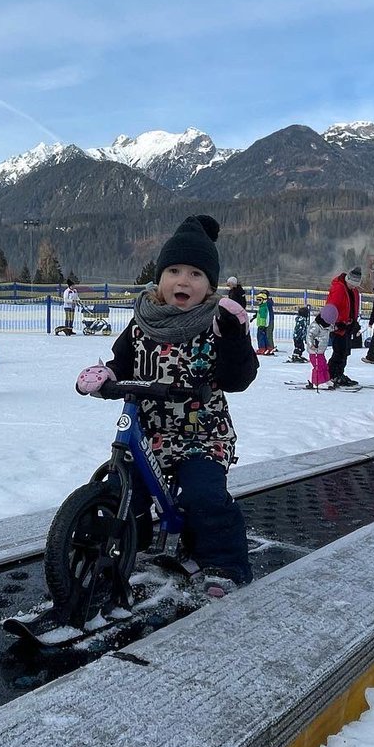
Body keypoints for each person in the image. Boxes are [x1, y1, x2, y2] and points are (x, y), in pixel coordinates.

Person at [74, 214, 258, 596]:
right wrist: (106, 373)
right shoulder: (143, 321)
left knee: (202, 494)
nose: (183, 281)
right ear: (159, 278)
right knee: (125, 488)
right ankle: (124, 547)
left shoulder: (215, 322)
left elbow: (238, 379)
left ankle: (225, 563)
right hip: (150, 430)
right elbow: (123, 362)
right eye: (174, 270)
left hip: (202, 432)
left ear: (209, 285)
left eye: (195, 274)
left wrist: (237, 338)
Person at [325, 265, 364, 387]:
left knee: (345, 351)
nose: (353, 287)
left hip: (348, 325)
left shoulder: (353, 291)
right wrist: (336, 323)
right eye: (352, 284)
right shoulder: (339, 288)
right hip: (338, 326)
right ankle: (332, 374)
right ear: (348, 280)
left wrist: (354, 322)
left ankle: (339, 373)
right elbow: (332, 306)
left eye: (355, 285)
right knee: (339, 351)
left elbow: (352, 307)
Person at [304, 304, 337, 389]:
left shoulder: (326, 325)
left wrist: (338, 327)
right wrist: (311, 345)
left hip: (321, 351)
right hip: (314, 351)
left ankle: (326, 379)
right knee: (318, 366)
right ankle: (317, 381)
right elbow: (309, 336)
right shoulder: (316, 326)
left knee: (324, 365)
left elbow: (331, 328)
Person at [251, 289, 275, 355]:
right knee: (265, 335)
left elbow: (264, 314)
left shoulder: (266, 303)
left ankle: (268, 347)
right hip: (265, 321)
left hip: (268, 321)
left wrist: (262, 324)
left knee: (267, 335)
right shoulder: (263, 305)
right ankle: (267, 347)